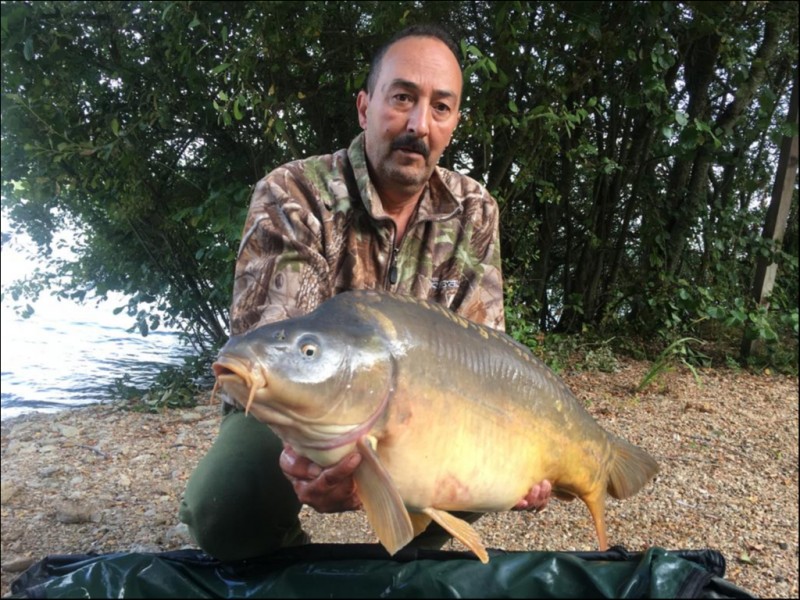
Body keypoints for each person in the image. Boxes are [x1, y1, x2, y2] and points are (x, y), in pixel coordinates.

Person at [179, 24, 552, 562]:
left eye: (440, 107)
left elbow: (484, 358)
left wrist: (523, 460)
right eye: (402, 98)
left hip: (419, 412)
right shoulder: (294, 193)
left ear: (453, 122)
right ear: (364, 107)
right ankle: (282, 561)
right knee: (226, 503)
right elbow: (272, 357)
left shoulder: (474, 209)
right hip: (297, 406)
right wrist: (325, 457)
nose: (418, 124)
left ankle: (405, 560)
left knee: (486, 451)